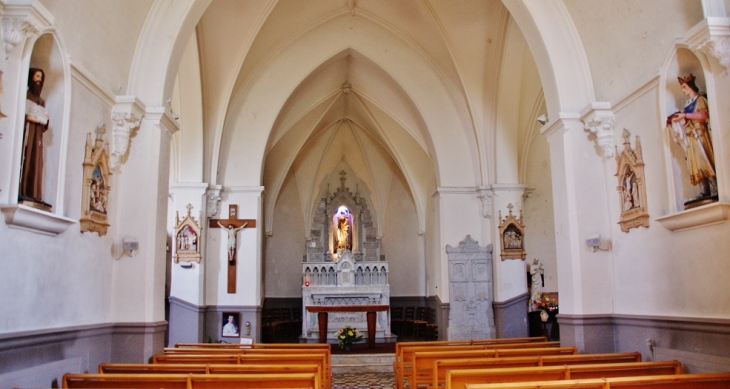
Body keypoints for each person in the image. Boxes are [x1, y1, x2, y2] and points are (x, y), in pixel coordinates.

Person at [667, 74, 716, 198]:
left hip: (700, 134)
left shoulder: (699, 100)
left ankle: (714, 189)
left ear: (691, 86)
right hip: (690, 137)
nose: (683, 90)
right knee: (695, 165)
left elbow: (704, 116)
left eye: (684, 87)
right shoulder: (687, 104)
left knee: (705, 161)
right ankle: (705, 190)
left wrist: (685, 116)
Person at [19, 68, 50, 203]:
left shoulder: (41, 101)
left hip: (37, 136)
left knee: (36, 161)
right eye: (37, 76)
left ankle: (33, 193)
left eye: (41, 77)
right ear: (31, 77)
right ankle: (22, 190)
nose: (39, 80)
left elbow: (44, 124)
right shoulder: (25, 96)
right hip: (27, 133)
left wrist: (45, 119)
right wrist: (35, 118)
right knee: (25, 158)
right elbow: (23, 114)